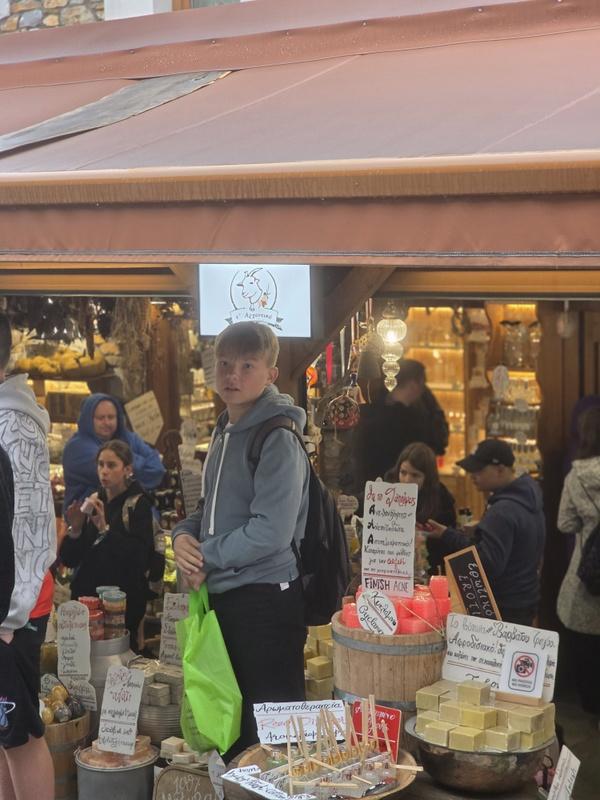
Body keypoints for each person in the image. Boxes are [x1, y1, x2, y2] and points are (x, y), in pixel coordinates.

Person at [172, 321, 309, 761]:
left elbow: (271, 532)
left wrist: (204, 558)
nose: (233, 375)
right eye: (225, 364)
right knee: (231, 730)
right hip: (229, 599)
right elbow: (210, 509)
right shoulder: (224, 429)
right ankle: (234, 789)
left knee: (271, 741)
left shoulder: (277, 437)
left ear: (271, 374)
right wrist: (182, 536)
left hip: (266, 603)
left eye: (248, 365)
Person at [0, 311, 56, 800]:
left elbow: (31, 527)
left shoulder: (13, 423)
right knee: (4, 734)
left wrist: (9, 615)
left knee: (19, 733)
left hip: (11, 609)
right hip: (7, 605)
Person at [424, 439, 545, 625]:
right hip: (524, 600)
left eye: (478, 470)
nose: (472, 475)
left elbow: (487, 563)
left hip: (502, 607)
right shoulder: (527, 498)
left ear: (500, 470)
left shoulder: (502, 511)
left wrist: (449, 536)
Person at [60, 439, 156, 652]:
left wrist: (105, 530)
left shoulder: (138, 505)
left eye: (111, 465)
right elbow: (70, 559)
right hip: (87, 602)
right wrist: (75, 530)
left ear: (127, 469)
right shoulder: (94, 500)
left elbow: (139, 559)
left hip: (121, 606)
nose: (104, 471)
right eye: (100, 464)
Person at [556, 406, 600, 717]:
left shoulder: (577, 476)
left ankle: (593, 713)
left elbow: (565, 524)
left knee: (587, 655)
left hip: (587, 578)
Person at [62, 393, 165, 510]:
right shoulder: (77, 448)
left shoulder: (127, 437)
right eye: (101, 418)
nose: (107, 422)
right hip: (89, 517)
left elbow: (158, 469)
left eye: (111, 417)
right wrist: (141, 463)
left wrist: (130, 465)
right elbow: (116, 480)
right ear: (88, 420)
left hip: (132, 513)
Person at [352, 359, 429, 492]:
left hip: (369, 490)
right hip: (400, 493)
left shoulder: (369, 411)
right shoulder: (411, 421)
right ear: (414, 385)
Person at [386, 442, 457, 575]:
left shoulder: (442, 501)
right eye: (403, 472)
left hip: (430, 571)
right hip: (392, 568)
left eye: (415, 475)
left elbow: (448, 544)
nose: (407, 480)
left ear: (428, 477)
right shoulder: (387, 492)